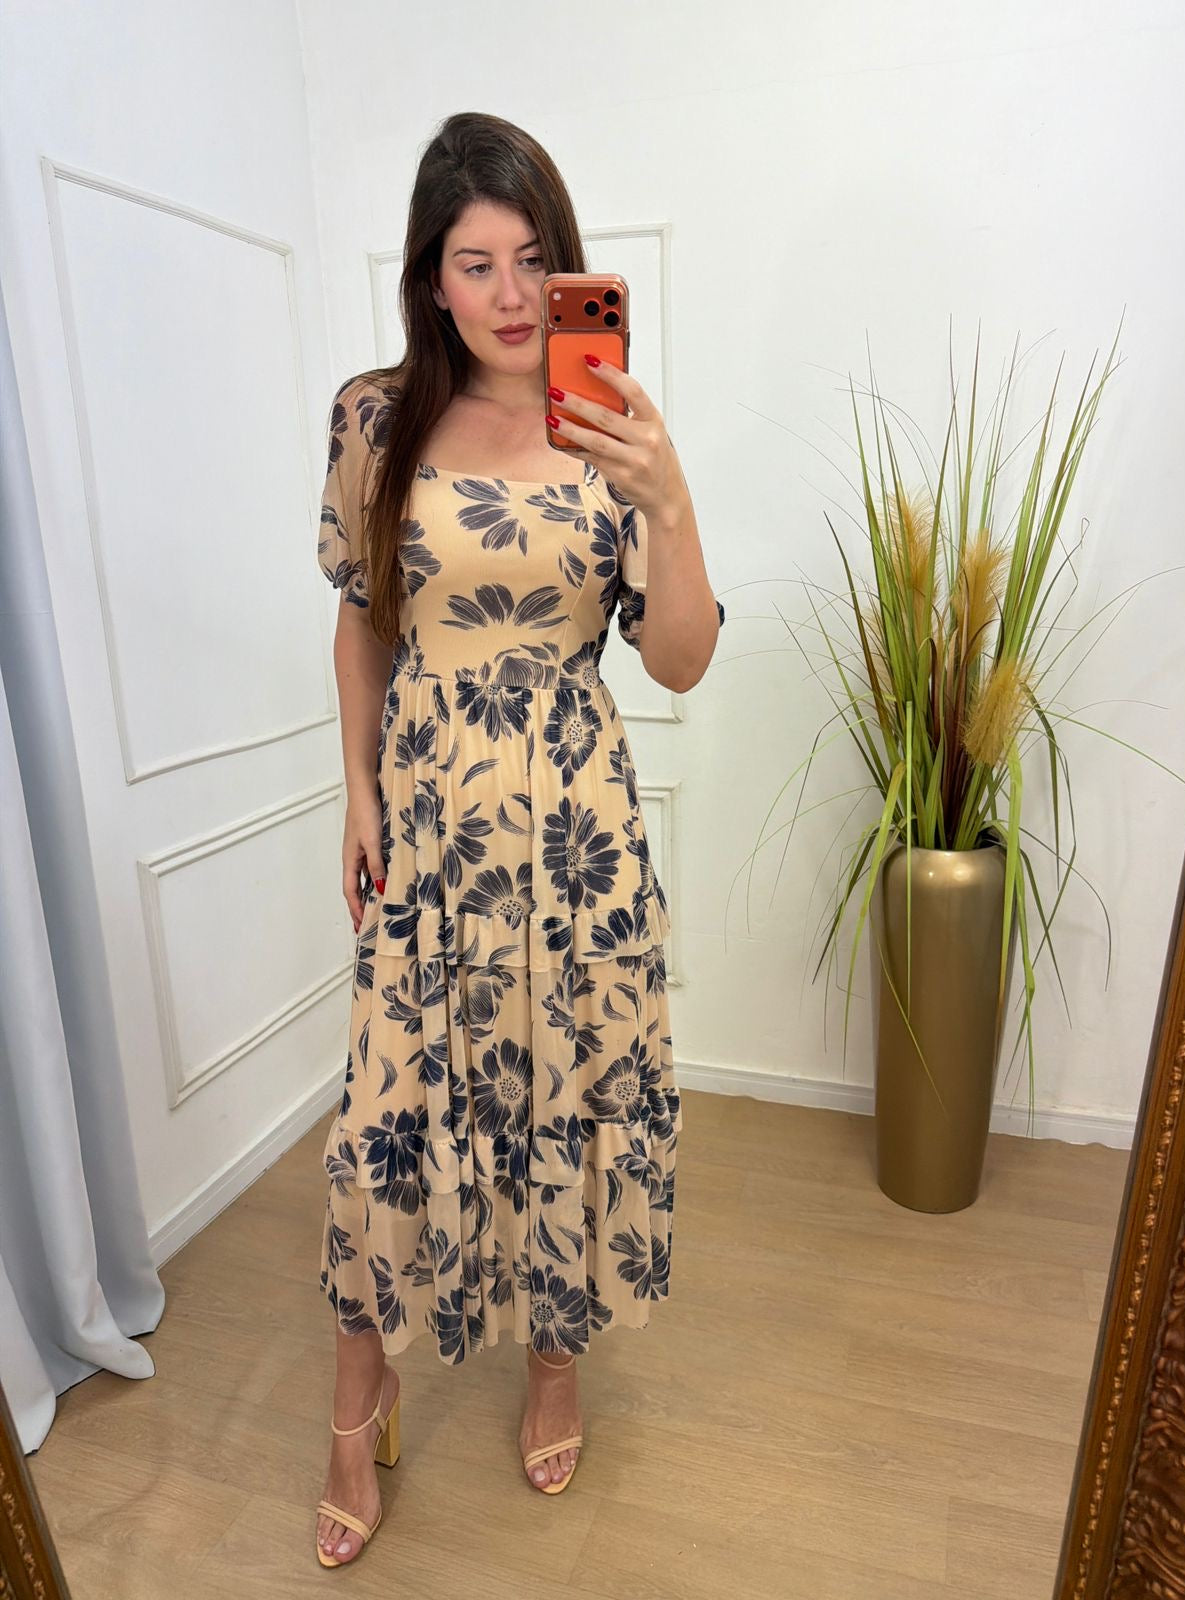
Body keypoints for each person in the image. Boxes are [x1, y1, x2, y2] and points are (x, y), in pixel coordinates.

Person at [313, 111, 725, 1567]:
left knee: (566, 1090)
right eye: (474, 263)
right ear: (430, 279)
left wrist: (669, 499)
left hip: (575, 833)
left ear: (567, 268)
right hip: (427, 829)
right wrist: (358, 790)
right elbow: (362, 620)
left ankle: (555, 1363)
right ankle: (355, 1411)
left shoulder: (607, 426)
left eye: (532, 259)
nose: (507, 294)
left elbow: (679, 660)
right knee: (385, 1115)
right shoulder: (375, 419)